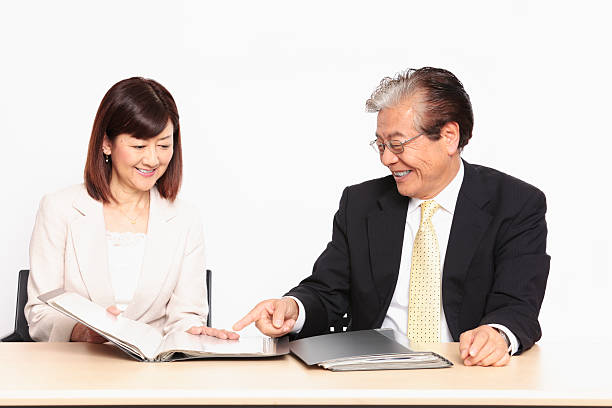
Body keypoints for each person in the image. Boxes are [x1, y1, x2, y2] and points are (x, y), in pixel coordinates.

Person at [234, 67, 550, 367]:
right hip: (373, 373)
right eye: (381, 145)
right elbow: (328, 291)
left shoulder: (515, 204)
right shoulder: (361, 204)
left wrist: (497, 334)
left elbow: (517, 305)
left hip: (468, 371)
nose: (387, 159)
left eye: (397, 145)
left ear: (449, 136)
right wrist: (293, 309)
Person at [26, 77, 238, 342]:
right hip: (79, 362)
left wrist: (196, 334)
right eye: (139, 146)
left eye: (164, 145)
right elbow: (39, 314)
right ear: (107, 143)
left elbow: (185, 317)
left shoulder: (185, 218)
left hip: (154, 366)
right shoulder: (59, 209)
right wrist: (82, 332)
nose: (152, 159)